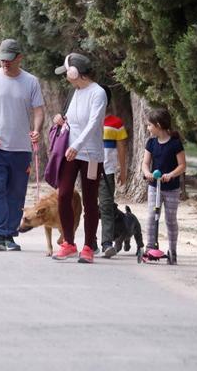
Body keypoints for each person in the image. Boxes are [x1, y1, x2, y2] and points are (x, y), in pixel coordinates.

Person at [0, 38, 44, 251]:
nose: (5, 63)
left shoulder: (31, 81)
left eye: (9, 59)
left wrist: (37, 130)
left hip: (21, 148)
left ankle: (9, 235)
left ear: (19, 58)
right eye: (2, 59)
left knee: (16, 192)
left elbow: (39, 110)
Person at [51, 52, 107, 263]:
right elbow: (73, 121)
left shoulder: (97, 93)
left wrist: (77, 145)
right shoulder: (75, 92)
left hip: (90, 154)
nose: (65, 76)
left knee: (90, 201)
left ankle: (88, 246)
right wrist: (61, 119)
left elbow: (93, 124)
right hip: (70, 151)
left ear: (75, 73)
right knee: (64, 194)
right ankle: (69, 242)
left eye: (66, 72)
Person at [141, 107, 187, 263]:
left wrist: (170, 175)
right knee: (152, 217)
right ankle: (149, 248)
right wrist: (147, 173)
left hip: (171, 188)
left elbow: (182, 165)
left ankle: (172, 251)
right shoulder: (151, 143)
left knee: (170, 219)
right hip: (155, 186)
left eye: (149, 125)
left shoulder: (175, 144)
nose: (148, 128)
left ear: (158, 125)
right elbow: (145, 163)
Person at [99, 113, 129, 258]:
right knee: (90, 207)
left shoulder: (116, 123)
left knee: (106, 206)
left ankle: (107, 244)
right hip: (87, 169)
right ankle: (90, 242)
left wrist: (123, 171)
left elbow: (122, 148)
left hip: (107, 172)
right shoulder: (85, 117)